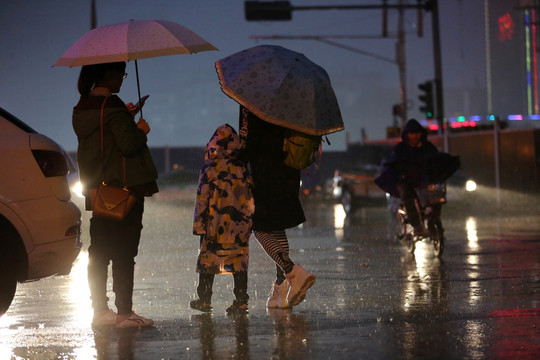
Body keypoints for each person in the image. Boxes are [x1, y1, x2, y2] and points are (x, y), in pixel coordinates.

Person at [72, 61, 158, 328]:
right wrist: (139, 129)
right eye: (119, 73)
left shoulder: (83, 107)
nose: (122, 78)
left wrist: (126, 116)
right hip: (123, 189)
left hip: (98, 189)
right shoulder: (114, 105)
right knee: (124, 252)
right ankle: (124, 314)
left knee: (98, 252)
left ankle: (100, 312)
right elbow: (129, 144)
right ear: (105, 74)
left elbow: (105, 140)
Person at [238, 106, 316, 309]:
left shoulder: (251, 100)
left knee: (259, 227)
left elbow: (248, 141)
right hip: (290, 170)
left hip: (266, 172)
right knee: (276, 226)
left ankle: (292, 272)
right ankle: (281, 288)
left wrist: (238, 161)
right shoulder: (287, 99)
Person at [191, 124, 254, 314]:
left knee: (208, 261)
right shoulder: (242, 168)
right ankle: (241, 300)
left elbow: (202, 199)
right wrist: (250, 221)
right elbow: (250, 196)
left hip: (214, 225)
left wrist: (199, 227)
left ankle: (204, 299)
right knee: (239, 261)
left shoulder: (209, 169)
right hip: (239, 225)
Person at [388, 119, 440, 236]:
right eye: (411, 133)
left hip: (424, 180)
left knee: (436, 194)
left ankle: (433, 217)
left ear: (421, 133)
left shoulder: (428, 147)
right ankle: (416, 225)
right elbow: (395, 163)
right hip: (407, 181)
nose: (414, 136)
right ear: (407, 135)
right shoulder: (401, 149)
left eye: (416, 133)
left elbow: (436, 159)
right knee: (407, 196)